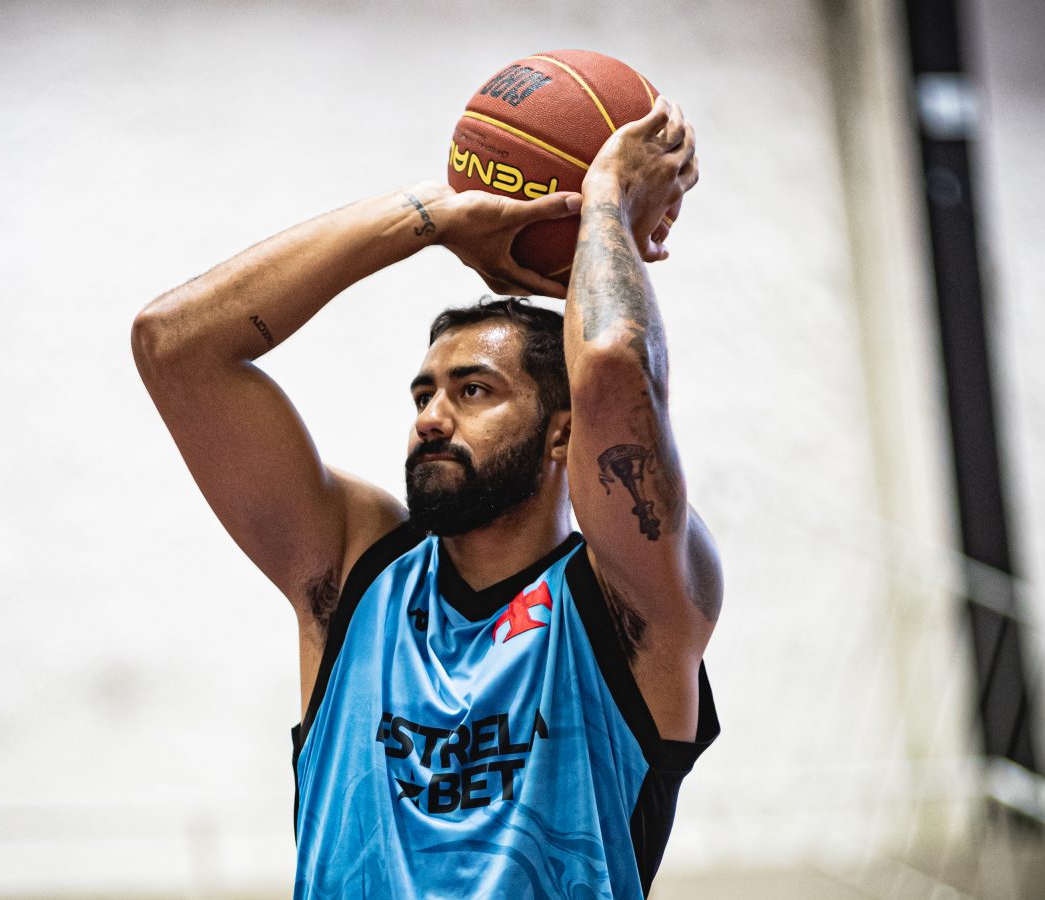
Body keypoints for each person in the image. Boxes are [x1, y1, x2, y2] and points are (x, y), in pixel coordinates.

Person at [132, 98, 720, 898]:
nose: (432, 419)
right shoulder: (356, 569)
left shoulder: (629, 598)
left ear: (564, 434)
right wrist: (433, 217)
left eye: (474, 390)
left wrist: (606, 200)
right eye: (423, 395)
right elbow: (173, 343)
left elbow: (615, 366)